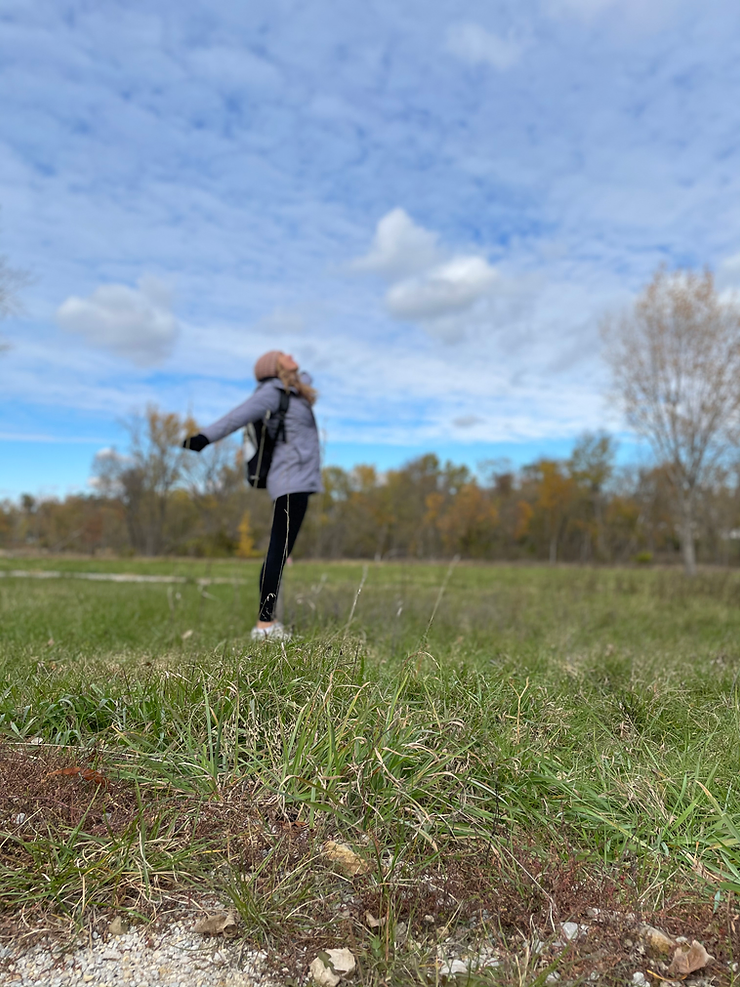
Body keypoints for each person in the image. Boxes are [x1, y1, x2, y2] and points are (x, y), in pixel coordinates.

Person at [183, 350, 321, 640]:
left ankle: (267, 623)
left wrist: (294, 376)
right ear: (273, 367)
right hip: (288, 479)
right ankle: (264, 625)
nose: (291, 354)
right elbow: (237, 416)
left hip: (300, 479)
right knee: (277, 552)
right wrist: (203, 439)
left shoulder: (295, 391)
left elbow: (305, 377)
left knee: (281, 552)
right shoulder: (272, 393)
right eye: (283, 355)